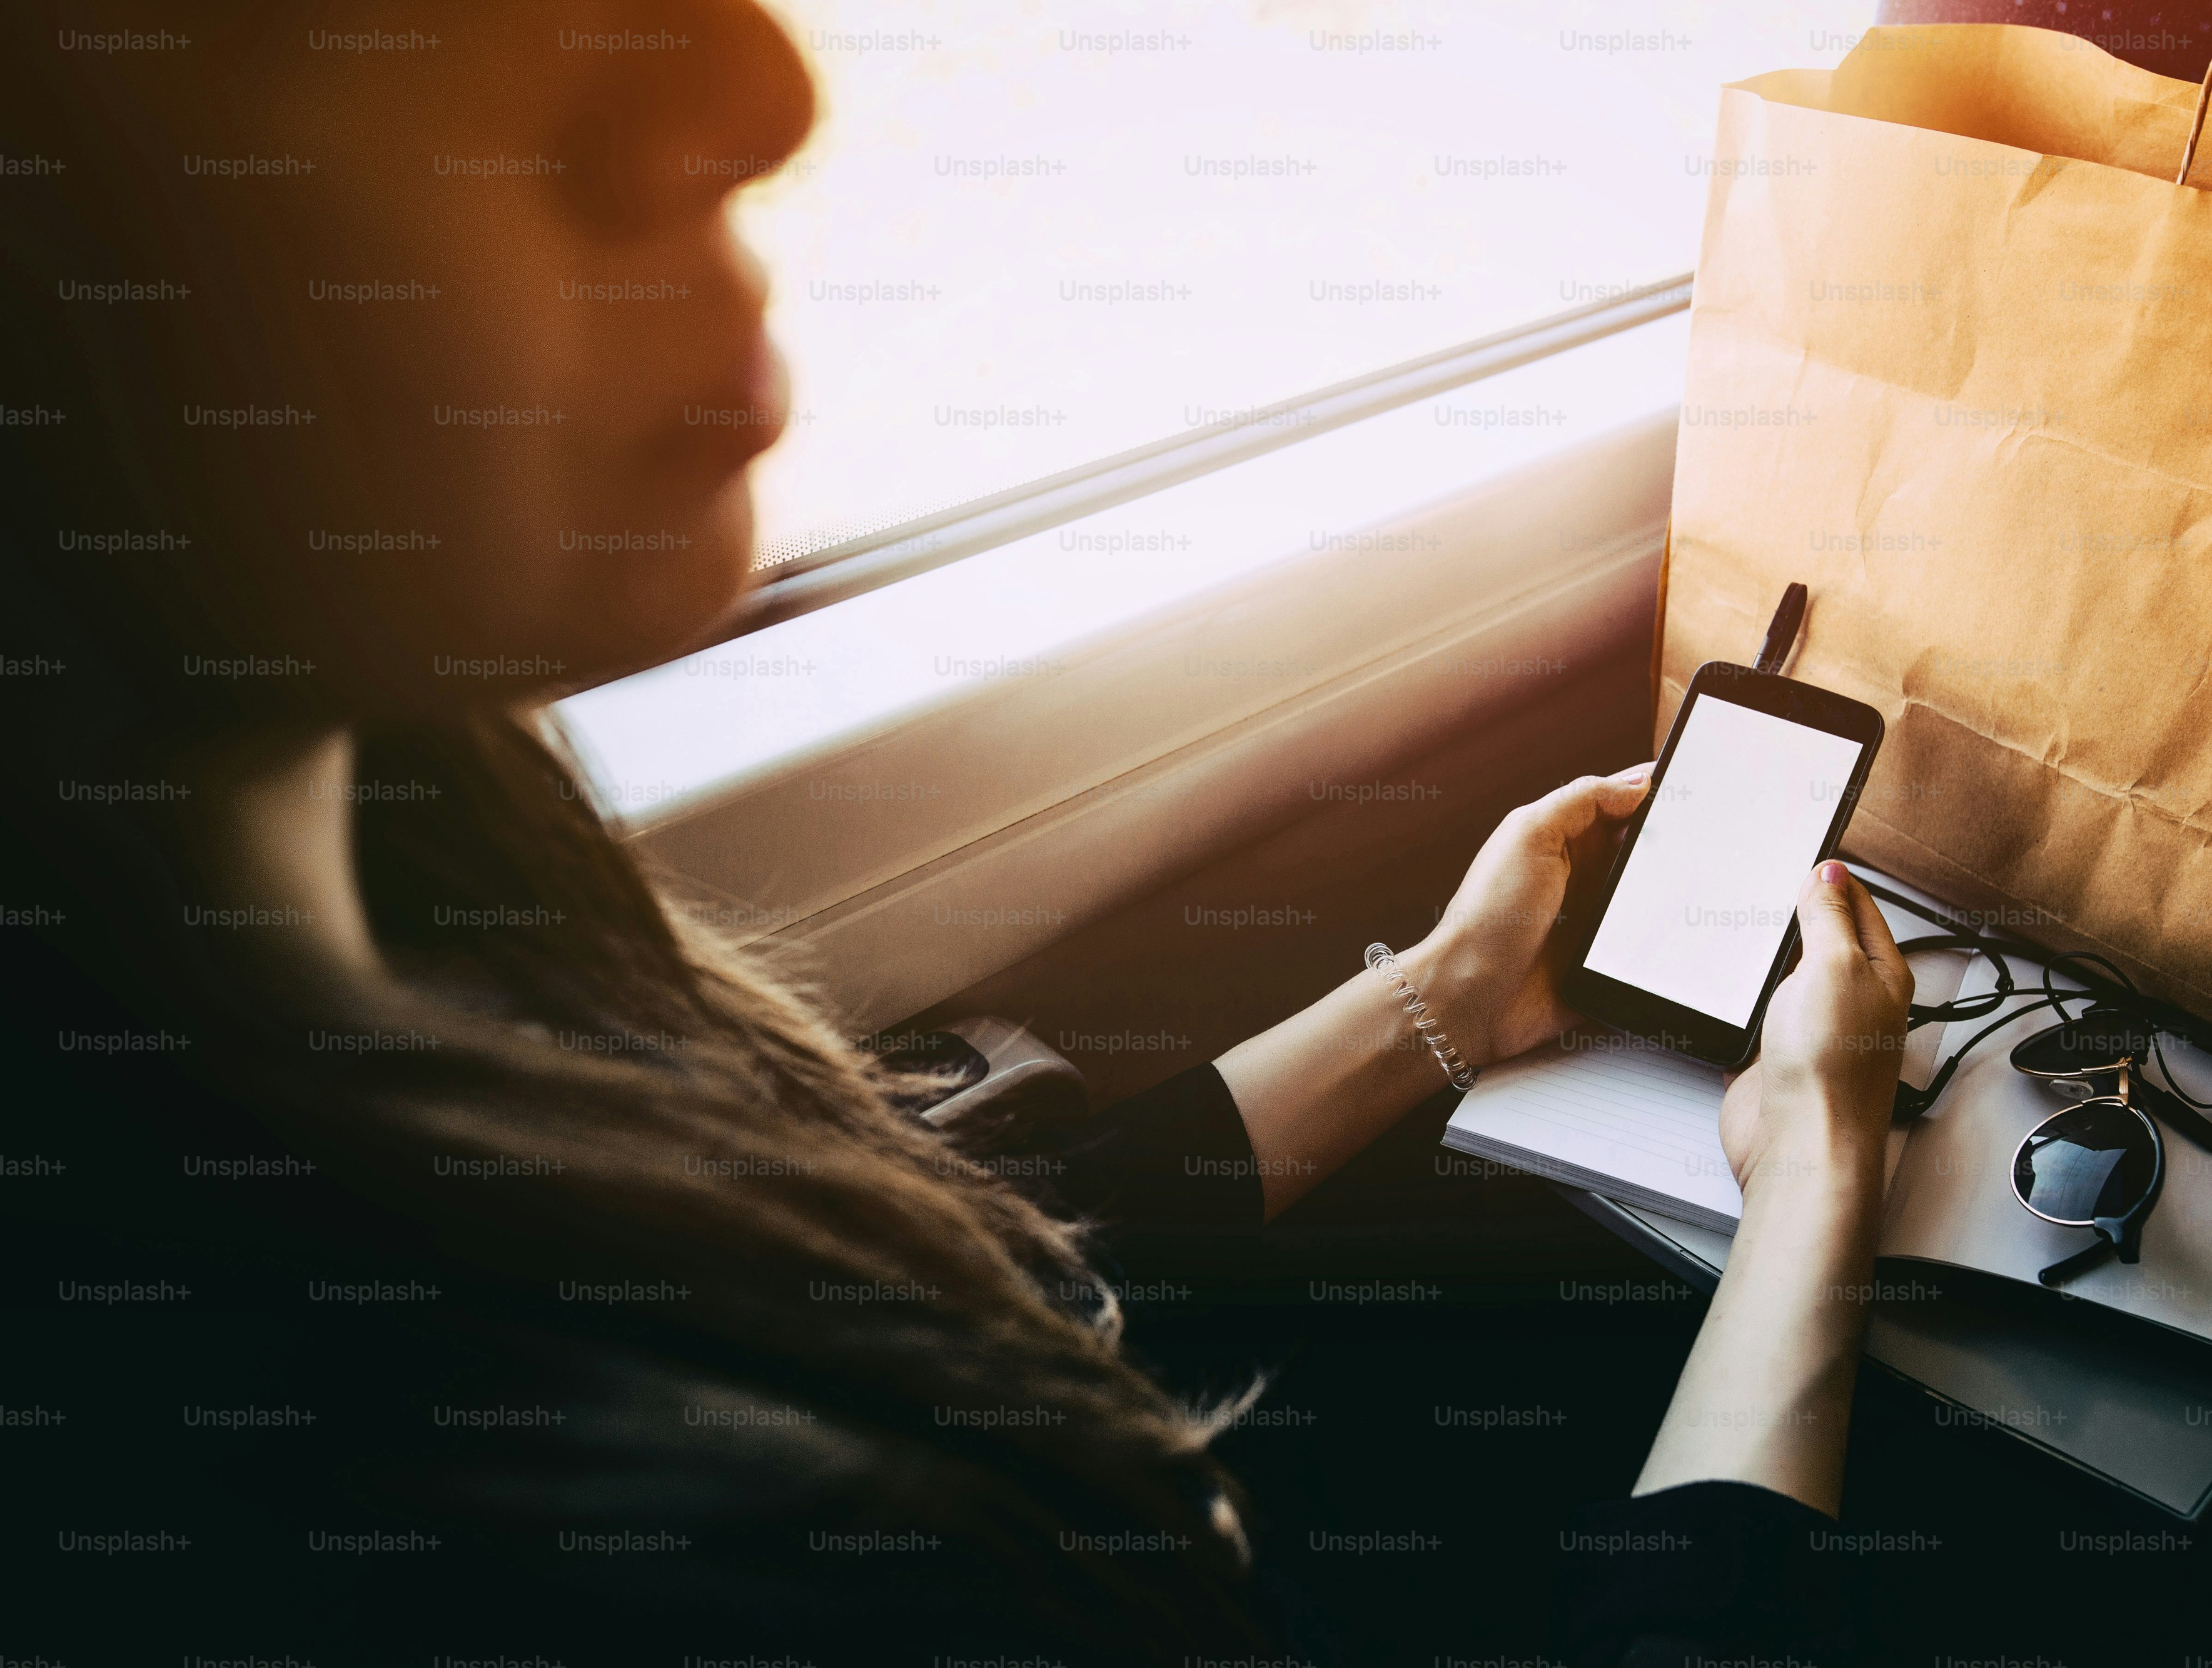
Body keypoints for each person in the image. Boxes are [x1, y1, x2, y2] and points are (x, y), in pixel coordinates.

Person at [0, 3, 1914, 1660]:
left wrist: (1438, 995)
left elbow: (991, 1262)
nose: (758, 90)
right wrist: (1817, 1187)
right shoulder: (644, 1568)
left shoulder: (429, 871)